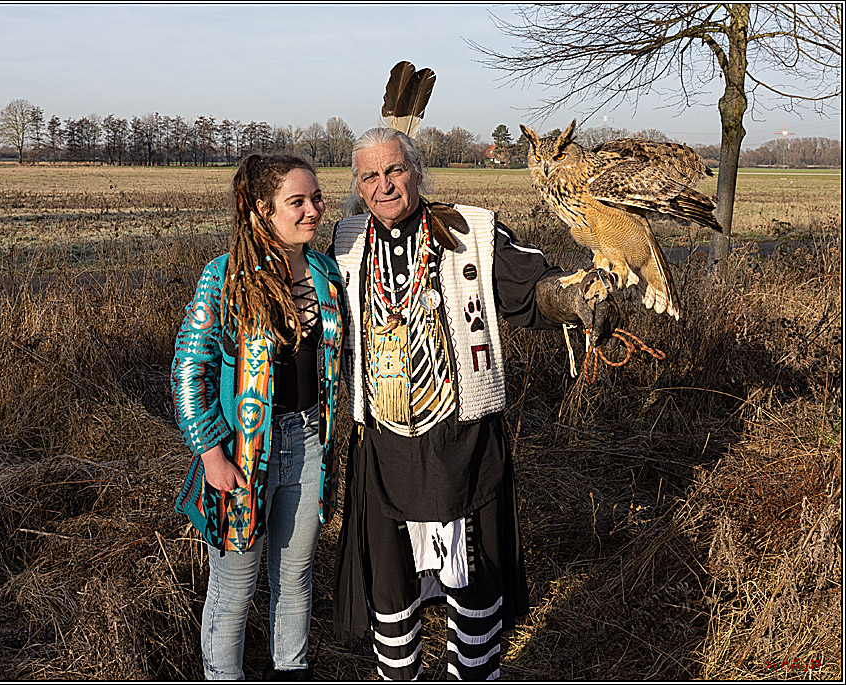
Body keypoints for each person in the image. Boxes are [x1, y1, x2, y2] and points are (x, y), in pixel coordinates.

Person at [329, 127, 616, 680]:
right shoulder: (343, 243)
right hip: (384, 444)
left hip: (462, 439)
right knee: (390, 586)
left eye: (395, 170)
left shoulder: (471, 231)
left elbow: (530, 286)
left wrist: (573, 298)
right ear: (359, 185)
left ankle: (476, 673)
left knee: (476, 577)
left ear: (417, 171)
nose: (384, 185)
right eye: (370, 175)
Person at [172, 154, 345, 680]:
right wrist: (210, 454)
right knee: (234, 588)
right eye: (298, 202)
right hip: (243, 455)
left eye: (316, 198)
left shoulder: (325, 272)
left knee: (294, 579)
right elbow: (188, 370)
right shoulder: (223, 277)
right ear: (260, 211)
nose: (313, 210)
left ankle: (291, 671)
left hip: (312, 443)